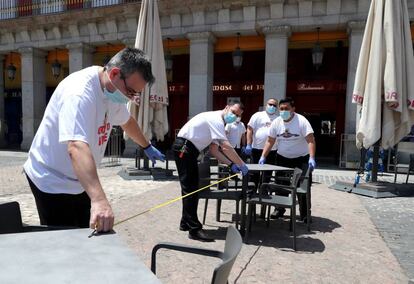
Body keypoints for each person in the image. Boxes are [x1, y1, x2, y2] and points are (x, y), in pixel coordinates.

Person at [23, 48, 165, 233]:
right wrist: (99, 200)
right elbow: (76, 146)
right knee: (61, 242)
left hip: (79, 179)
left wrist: (146, 146)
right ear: (114, 73)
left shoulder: (113, 90)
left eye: (135, 94)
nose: (131, 97)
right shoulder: (79, 93)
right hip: (51, 178)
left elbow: (127, 122)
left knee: (84, 233)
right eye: (130, 91)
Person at [173, 101, 249, 241]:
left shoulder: (220, 123)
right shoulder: (216, 119)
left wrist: (231, 164)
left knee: (190, 188)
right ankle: (194, 229)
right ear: (226, 107)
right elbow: (225, 146)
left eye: (238, 115)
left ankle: (185, 223)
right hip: (184, 148)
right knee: (190, 189)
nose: (234, 116)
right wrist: (242, 163)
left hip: (189, 150)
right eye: (233, 112)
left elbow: (214, 150)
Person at [259, 97, 316, 221]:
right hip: (282, 158)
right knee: (280, 185)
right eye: (281, 109)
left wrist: (311, 158)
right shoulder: (277, 122)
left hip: (301, 158)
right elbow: (270, 140)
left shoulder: (301, 121)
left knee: (303, 187)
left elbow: (311, 140)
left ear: (293, 109)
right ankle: (279, 209)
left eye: (286, 109)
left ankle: (305, 214)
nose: (283, 111)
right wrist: (263, 156)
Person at [243, 98, 279, 185]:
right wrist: (248, 144)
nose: (272, 106)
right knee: (254, 173)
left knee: (268, 173)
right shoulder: (257, 115)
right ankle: (252, 192)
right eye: (270, 104)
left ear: (277, 107)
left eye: (274, 105)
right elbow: (249, 129)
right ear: (266, 105)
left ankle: (264, 190)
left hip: (272, 150)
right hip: (257, 149)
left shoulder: (278, 119)